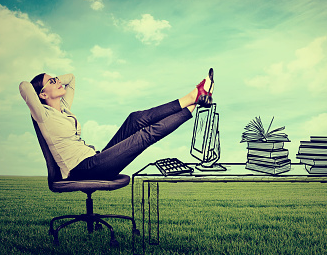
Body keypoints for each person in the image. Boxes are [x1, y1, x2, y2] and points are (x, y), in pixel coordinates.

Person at [19, 68, 214, 180]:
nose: (58, 81)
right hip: (80, 170)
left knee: (134, 119)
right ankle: (194, 102)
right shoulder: (42, 115)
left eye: (55, 78)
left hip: (95, 159)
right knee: (143, 136)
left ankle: (192, 98)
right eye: (52, 81)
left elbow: (71, 78)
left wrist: (52, 82)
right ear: (42, 95)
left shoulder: (63, 107)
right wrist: (45, 85)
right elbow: (24, 87)